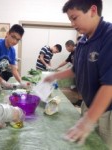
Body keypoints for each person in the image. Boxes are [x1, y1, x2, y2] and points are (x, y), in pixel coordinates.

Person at [44, 0, 112, 149]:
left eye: (74, 18)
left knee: (103, 145)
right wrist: (54, 76)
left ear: (93, 10)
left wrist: (87, 122)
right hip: (88, 105)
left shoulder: (109, 36)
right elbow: (76, 70)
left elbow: (109, 85)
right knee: (86, 144)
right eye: (70, 19)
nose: (72, 24)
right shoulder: (82, 42)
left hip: (107, 111)